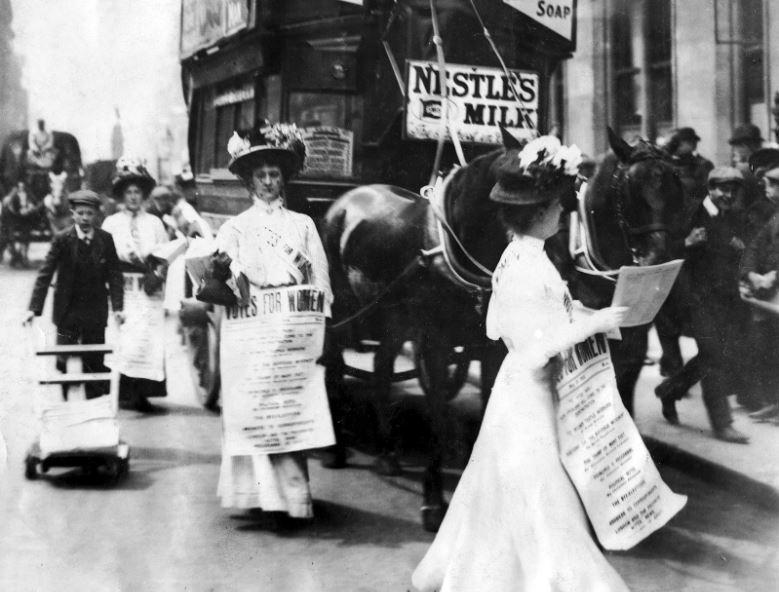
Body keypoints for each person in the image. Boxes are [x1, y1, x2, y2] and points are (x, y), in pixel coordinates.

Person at [412, 137, 630, 592]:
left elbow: (549, 316)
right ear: (537, 213)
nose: (561, 213)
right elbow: (534, 344)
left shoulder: (526, 256)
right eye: (555, 207)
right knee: (537, 486)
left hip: (526, 387)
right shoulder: (527, 264)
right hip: (528, 389)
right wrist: (594, 324)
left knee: (511, 486)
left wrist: (594, 321)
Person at [213, 122, 332, 521]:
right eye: (261, 175)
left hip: (292, 325)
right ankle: (256, 495)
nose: (268, 182)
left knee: (290, 406)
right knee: (255, 406)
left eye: (274, 175)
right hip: (253, 326)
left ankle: (293, 497)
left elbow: (319, 277)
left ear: (284, 180)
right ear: (249, 180)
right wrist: (227, 273)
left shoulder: (302, 225)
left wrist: (320, 323)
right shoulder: (235, 228)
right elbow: (222, 279)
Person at [655, 167, 754, 443]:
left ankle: (669, 390)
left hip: (726, 299)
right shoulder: (690, 213)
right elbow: (663, 252)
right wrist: (685, 243)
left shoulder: (734, 216)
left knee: (714, 355)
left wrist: (740, 250)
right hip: (693, 299)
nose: (728, 195)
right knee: (713, 354)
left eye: (733, 190)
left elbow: (737, 254)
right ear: (710, 188)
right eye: (722, 189)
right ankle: (722, 424)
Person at [23, 190, 124, 399]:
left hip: (95, 311)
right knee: (63, 359)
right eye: (80, 213)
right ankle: (66, 405)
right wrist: (33, 309)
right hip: (67, 311)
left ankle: (93, 410)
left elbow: (115, 276)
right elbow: (45, 273)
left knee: (95, 360)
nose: (85, 218)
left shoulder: (105, 240)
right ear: (72, 214)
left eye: (89, 213)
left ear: (96, 214)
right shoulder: (62, 239)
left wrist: (118, 308)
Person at [102, 157, 169, 413]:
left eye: (137, 192)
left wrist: (158, 274)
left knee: (147, 338)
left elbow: (164, 255)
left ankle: (144, 392)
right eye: (128, 192)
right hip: (123, 287)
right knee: (124, 337)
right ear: (121, 194)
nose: (133, 197)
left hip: (148, 288)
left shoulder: (155, 223)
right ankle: (123, 391)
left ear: (143, 194)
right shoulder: (111, 223)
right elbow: (105, 258)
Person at [740, 163, 779, 423]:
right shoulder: (775, 216)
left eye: (772, 185)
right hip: (768, 295)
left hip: (774, 292)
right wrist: (752, 273)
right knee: (766, 350)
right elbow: (754, 248)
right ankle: (773, 403)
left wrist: (774, 275)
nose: (767, 190)